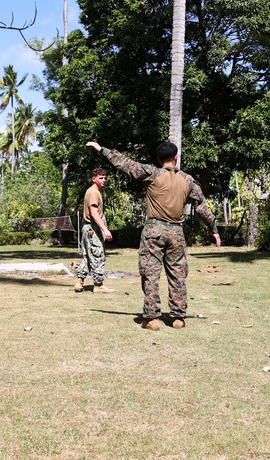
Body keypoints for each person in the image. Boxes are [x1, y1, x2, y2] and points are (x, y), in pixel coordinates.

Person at [87, 141, 221, 330]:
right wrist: (214, 230)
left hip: (153, 231)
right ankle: (178, 317)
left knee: (150, 274)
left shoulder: (151, 173)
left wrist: (102, 150)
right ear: (176, 157)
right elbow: (202, 209)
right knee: (177, 275)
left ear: (159, 159)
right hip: (177, 232)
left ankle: (152, 318)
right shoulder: (188, 180)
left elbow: (124, 163)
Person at [74, 167, 114, 293]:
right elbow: (94, 213)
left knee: (87, 256)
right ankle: (98, 285)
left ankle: (79, 282)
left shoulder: (94, 191)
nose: (104, 180)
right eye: (101, 178)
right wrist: (105, 230)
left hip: (88, 228)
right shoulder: (93, 192)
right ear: (94, 179)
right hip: (92, 228)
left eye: (105, 178)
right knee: (98, 255)